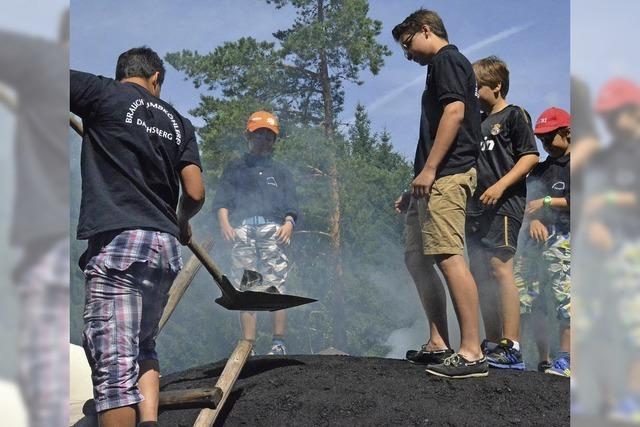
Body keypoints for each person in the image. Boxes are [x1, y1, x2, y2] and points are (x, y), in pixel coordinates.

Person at [70, 46, 205, 427]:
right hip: (162, 251)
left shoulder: (102, 94)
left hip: (120, 247)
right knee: (143, 345)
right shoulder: (179, 122)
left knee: (114, 369)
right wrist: (182, 220)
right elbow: (195, 193)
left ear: (122, 74)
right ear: (156, 78)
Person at [392, 8, 486, 378]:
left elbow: (455, 115)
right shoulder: (438, 67)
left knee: (448, 255)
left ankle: (472, 352)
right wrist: (414, 185)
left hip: (448, 174)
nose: (408, 53)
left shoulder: (448, 60)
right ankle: (438, 343)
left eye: (408, 43)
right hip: (430, 180)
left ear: (426, 30)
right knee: (417, 258)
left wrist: (431, 170)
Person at [0, 10, 70, 427]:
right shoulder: (46, 63)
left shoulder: (46, 69)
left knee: (47, 368)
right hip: (51, 236)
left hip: (46, 237)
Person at [465, 56, 539, 370]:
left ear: (496, 86)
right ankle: (493, 342)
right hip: (475, 209)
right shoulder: (474, 122)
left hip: (505, 205)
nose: (473, 92)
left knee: (500, 269)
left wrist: (499, 186)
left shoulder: (513, 116)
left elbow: (530, 157)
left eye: (477, 86)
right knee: (481, 274)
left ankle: (512, 345)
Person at [212, 111, 298, 355]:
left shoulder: (280, 171)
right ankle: (248, 344)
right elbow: (222, 200)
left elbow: (291, 202)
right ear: (248, 136)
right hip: (243, 231)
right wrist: (225, 224)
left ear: (274, 141)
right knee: (246, 284)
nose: (264, 139)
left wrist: (289, 222)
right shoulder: (236, 167)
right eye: (259, 134)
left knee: (275, 283)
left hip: (273, 230)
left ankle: (278, 343)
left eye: (269, 136)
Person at [515, 107, 571, 378]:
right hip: (533, 242)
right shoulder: (538, 170)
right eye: (541, 138)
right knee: (528, 300)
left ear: (567, 132)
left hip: (566, 240)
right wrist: (535, 219)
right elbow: (525, 203)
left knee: (564, 301)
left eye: (550, 136)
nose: (545, 142)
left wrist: (547, 202)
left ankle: (567, 360)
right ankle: (542, 360)